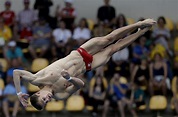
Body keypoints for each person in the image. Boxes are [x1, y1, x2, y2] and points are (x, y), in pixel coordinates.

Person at [13, 19, 156, 110]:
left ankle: (138, 24)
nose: (47, 99)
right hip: (87, 66)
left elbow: (16, 73)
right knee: (114, 49)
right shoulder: (60, 95)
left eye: (43, 99)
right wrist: (69, 78)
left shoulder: (37, 79)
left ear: (38, 92)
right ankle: (141, 32)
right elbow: (80, 85)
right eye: (46, 102)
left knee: (109, 38)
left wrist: (19, 93)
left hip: (80, 53)